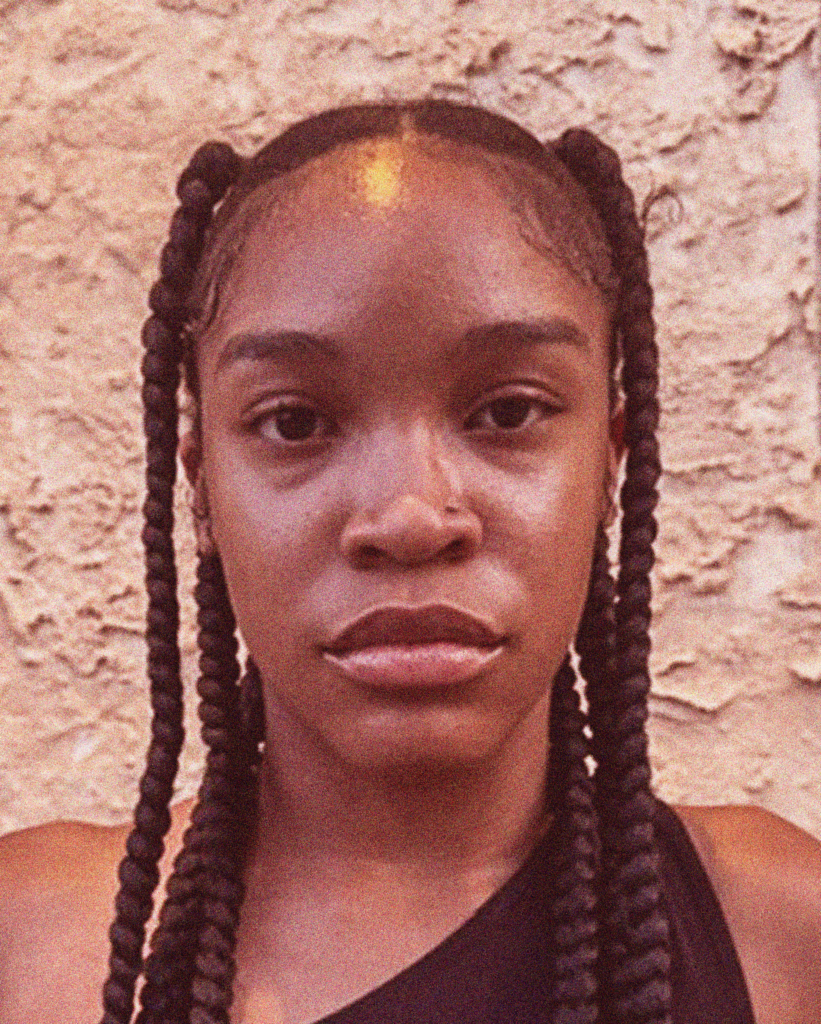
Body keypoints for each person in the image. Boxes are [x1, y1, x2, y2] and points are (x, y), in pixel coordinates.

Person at [0, 100, 819, 1024]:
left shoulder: (782, 937)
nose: (410, 517)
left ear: (607, 467)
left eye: (506, 413)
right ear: (202, 492)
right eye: (294, 423)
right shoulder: (26, 946)